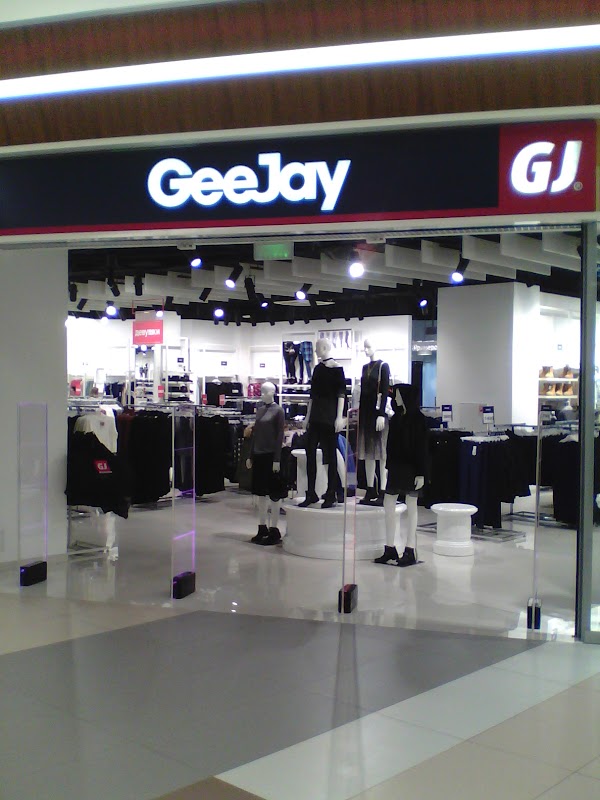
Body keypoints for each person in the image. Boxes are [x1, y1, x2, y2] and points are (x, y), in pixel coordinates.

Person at [374, 383, 429, 567]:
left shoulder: (418, 420)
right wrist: (388, 466)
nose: (395, 398)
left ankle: (410, 549)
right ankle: (390, 547)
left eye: (397, 394)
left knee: (411, 505)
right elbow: (390, 445)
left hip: (412, 468)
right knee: (388, 502)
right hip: (397, 467)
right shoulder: (397, 418)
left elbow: (422, 448)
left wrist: (421, 473)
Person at [299, 338, 346, 509]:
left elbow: (341, 395)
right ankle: (311, 492)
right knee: (310, 451)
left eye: (317, 347)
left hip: (329, 417)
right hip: (316, 417)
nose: (315, 350)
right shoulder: (317, 369)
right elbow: (312, 395)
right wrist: (307, 417)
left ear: (325, 348)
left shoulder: (338, 369)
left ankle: (331, 492)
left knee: (330, 454)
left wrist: (339, 417)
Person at [246, 381, 286, 545]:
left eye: (265, 392)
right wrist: (250, 455)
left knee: (274, 494)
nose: (262, 395)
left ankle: (274, 529)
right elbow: (255, 434)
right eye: (261, 392)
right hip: (259, 455)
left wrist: (277, 459)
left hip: (271, 456)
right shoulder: (260, 409)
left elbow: (280, 436)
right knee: (260, 493)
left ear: (273, 393)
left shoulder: (279, 411)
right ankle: (262, 527)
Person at [356, 337, 390, 506]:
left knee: (381, 453)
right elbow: (363, 393)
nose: (366, 350)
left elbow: (385, 391)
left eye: (368, 347)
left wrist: (382, 414)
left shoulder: (383, 366)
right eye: (364, 347)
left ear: (376, 346)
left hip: (378, 415)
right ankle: (370, 489)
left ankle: (383, 491)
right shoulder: (364, 368)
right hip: (366, 414)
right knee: (367, 452)